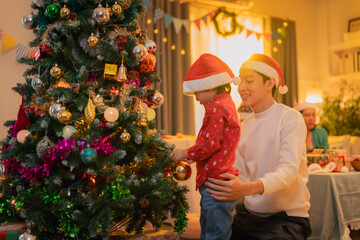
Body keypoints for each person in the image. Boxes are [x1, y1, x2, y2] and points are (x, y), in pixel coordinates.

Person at [205, 54, 311, 240]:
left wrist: (245, 189)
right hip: (248, 217)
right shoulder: (243, 127)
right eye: (240, 82)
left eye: (249, 81)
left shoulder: (290, 118)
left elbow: (288, 172)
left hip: (287, 220)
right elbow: (236, 173)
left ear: (269, 83)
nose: (241, 88)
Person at [172, 53, 241, 240]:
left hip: (215, 183)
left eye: (197, 92)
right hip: (217, 179)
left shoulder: (216, 107)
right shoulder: (226, 103)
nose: (196, 99)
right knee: (211, 231)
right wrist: (194, 156)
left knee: (214, 234)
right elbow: (216, 143)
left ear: (209, 86)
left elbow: (210, 144)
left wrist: (185, 152)